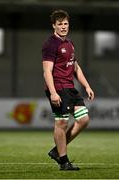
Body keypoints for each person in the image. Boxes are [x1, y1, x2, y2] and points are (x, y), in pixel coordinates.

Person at [42, 9, 94, 171]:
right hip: (58, 87)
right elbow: (47, 72)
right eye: (60, 24)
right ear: (54, 26)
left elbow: (76, 68)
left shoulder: (69, 43)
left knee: (83, 119)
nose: (63, 27)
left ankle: (57, 151)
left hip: (70, 88)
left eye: (65, 24)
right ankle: (63, 161)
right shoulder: (51, 44)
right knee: (61, 122)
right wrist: (53, 92)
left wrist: (86, 85)